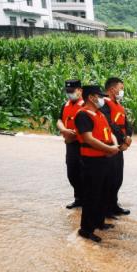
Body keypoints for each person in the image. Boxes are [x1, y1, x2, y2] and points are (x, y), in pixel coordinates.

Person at [74, 85, 119, 242]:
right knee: (92, 195)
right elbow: (88, 139)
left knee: (103, 192)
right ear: (91, 97)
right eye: (99, 96)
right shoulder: (83, 115)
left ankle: (99, 222)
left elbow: (110, 132)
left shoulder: (99, 114)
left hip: (105, 157)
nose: (102, 99)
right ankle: (86, 230)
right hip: (92, 160)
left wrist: (113, 145)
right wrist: (109, 148)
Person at [101, 77, 132, 217]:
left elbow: (126, 123)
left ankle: (114, 205)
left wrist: (129, 137)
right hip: (109, 146)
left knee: (118, 178)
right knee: (110, 179)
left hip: (120, 146)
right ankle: (106, 209)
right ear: (112, 89)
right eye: (121, 88)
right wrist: (123, 138)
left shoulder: (118, 105)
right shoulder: (104, 105)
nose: (122, 91)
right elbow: (109, 124)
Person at [57, 79, 84, 208]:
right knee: (72, 173)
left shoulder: (85, 105)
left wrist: (72, 136)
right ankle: (78, 198)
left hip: (82, 144)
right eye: (67, 91)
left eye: (71, 91)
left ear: (80, 90)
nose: (69, 94)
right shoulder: (66, 104)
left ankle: (86, 200)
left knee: (84, 172)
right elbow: (59, 120)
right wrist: (63, 130)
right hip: (70, 144)